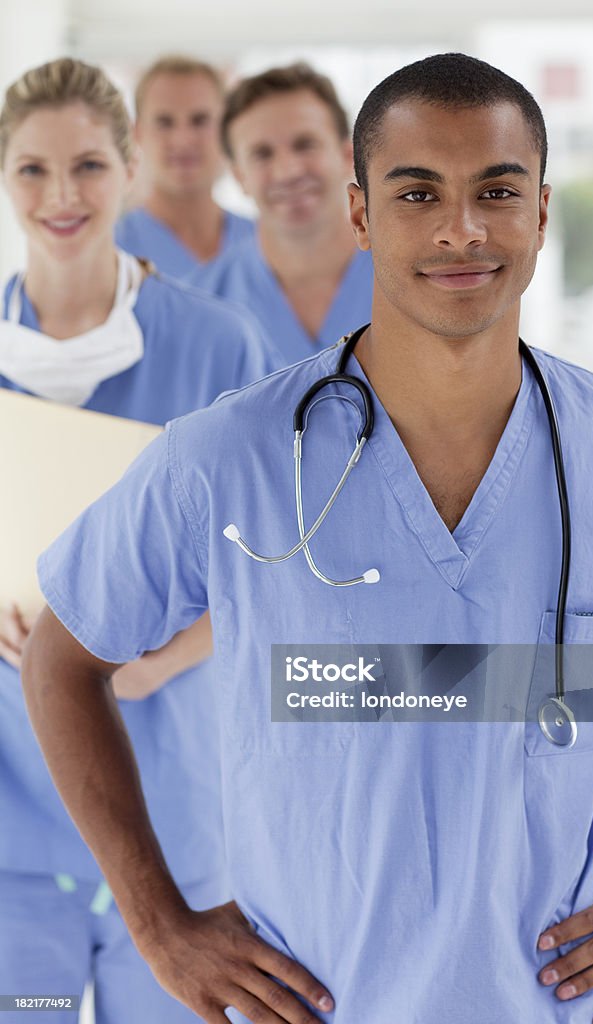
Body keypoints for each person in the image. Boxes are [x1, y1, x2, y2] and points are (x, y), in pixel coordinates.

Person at [23, 53, 593, 1024]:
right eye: (417, 192)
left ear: (540, 212)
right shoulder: (226, 456)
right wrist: (159, 924)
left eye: (494, 191)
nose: (461, 228)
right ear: (361, 214)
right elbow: (60, 658)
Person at [0, 57, 273, 1023]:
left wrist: (163, 658)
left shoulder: (219, 347)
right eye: (32, 169)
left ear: (128, 168)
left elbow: (270, 569)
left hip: (176, 811)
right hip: (13, 831)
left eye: (86, 165)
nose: (61, 195)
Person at [196, 63, 373, 368]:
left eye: (305, 145)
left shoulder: (414, 281)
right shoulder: (200, 305)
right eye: (262, 154)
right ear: (239, 176)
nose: (288, 171)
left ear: (347, 156)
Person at [116, 55, 254, 284]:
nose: (183, 140)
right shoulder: (110, 252)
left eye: (199, 120)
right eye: (165, 122)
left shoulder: (264, 243)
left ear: (226, 128)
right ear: (137, 133)